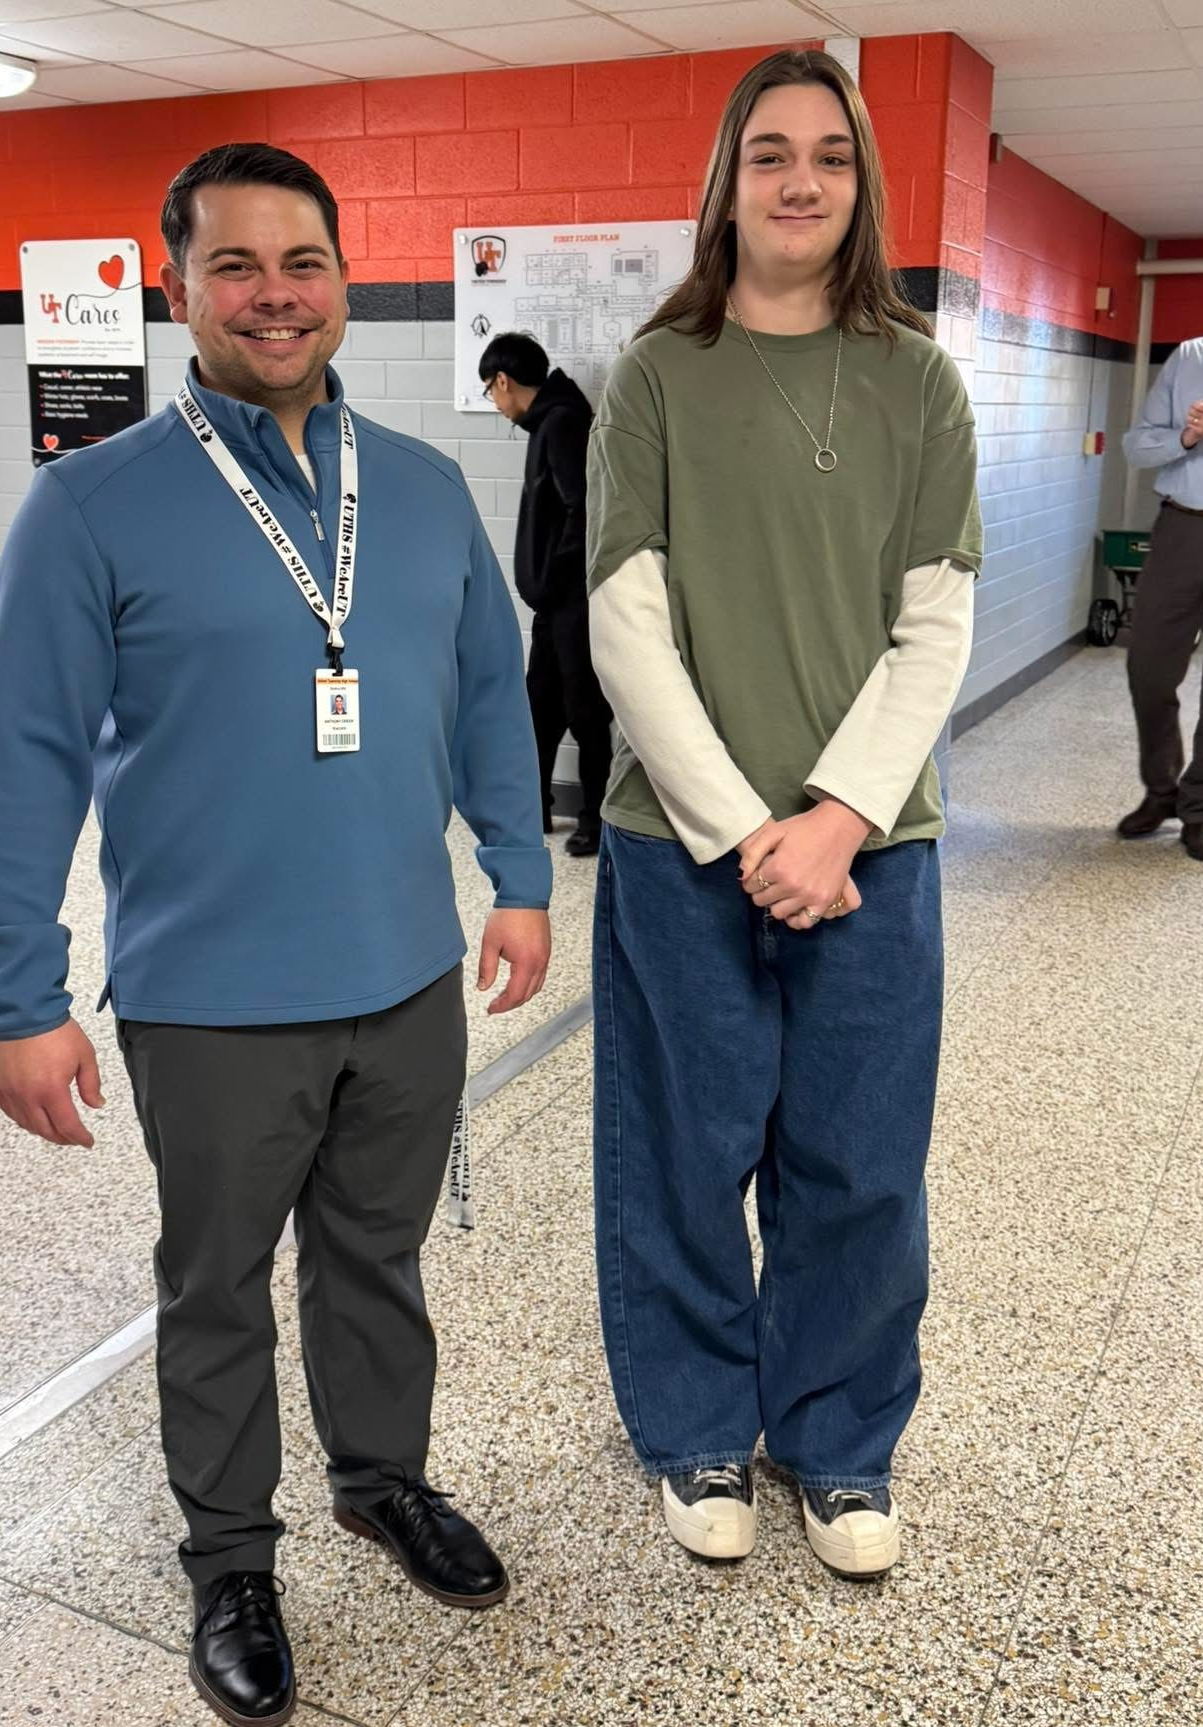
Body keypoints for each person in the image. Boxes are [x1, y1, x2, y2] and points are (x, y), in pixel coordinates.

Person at [0, 143, 552, 1727]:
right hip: (211, 999)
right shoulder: (89, 507)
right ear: (180, 290)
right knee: (215, 1280)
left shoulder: (422, 492)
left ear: (346, 278)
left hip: (406, 977)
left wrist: (518, 871)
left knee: (378, 1253)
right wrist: (19, 992)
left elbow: (491, 696)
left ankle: (381, 1477)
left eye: (303, 261)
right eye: (235, 266)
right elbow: (26, 759)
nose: (274, 294)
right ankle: (230, 1552)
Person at [585, 49, 981, 1580]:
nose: (799, 179)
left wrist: (831, 817)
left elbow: (933, 621)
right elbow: (625, 618)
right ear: (726, 181)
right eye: (769, 154)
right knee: (682, 1144)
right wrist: (746, 822)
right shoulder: (655, 374)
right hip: (675, 843)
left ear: (861, 181)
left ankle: (838, 1440)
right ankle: (694, 1426)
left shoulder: (916, 379)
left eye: (827, 153)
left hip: (875, 848)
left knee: (859, 1153)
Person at [480, 331, 614, 856]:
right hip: (554, 603)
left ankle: (594, 822)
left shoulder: (561, 423)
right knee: (538, 707)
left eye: (492, 391)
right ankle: (531, 806)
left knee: (585, 712)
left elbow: (583, 511)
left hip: (572, 603)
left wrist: (555, 581)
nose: (495, 403)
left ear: (504, 381)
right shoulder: (550, 421)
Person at [1120, 334, 1203, 859]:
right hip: (1183, 527)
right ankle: (1162, 790)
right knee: (1148, 668)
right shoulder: (1191, 356)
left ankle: (1199, 805)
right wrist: (1188, 437)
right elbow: (1136, 445)